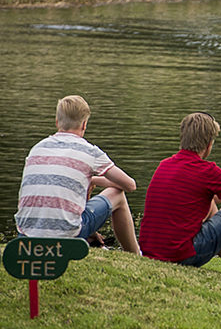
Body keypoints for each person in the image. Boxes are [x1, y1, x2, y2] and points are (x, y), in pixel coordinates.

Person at [138, 112, 221, 285]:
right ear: (209, 144)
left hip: (152, 253)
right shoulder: (207, 171)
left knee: (210, 203)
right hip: (181, 255)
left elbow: (203, 197)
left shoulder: (165, 165)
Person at [15, 95, 140, 253]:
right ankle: (135, 254)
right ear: (84, 124)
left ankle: (90, 236)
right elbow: (129, 185)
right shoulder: (90, 151)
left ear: (57, 122)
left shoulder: (37, 149)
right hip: (67, 235)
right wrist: (93, 179)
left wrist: (88, 179)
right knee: (118, 194)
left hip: (26, 234)